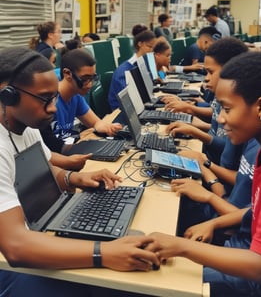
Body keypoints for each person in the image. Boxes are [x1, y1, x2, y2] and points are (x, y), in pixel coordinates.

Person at [0, 46, 161, 297]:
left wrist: (76, 178)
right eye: (45, 98)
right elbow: (15, 247)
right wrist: (102, 254)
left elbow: (48, 171)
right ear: (7, 95)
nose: (53, 108)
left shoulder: (26, 126)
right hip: (9, 265)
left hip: (34, 233)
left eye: (54, 98)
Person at [147, 51, 261, 297]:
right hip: (240, 251)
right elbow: (254, 213)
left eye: (227, 109)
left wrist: (182, 247)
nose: (220, 119)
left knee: (150, 281)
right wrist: (213, 219)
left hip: (249, 279)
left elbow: (259, 267)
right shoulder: (260, 151)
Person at [164, 37, 248, 164]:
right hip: (209, 157)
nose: (206, 78)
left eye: (210, 72)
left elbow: (227, 146)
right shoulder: (225, 94)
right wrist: (192, 114)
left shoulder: (239, 105)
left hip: (212, 163)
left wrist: (205, 165)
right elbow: (218, 129)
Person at [40, 48, 122, 152]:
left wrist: (106, 127)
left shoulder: (76, 96)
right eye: (84, 79)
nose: (90, 85)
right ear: (67, 74)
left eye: (93, 78)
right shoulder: (49, 102)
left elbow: (96, 122)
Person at [108, 29, 156, 110]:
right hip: (122, 112)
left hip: (139, 106)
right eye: (149, 46)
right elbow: (127, 100)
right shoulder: (124, 71)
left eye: (153, 48)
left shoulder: (144, 64)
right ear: (140, 44)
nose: (151, 51)